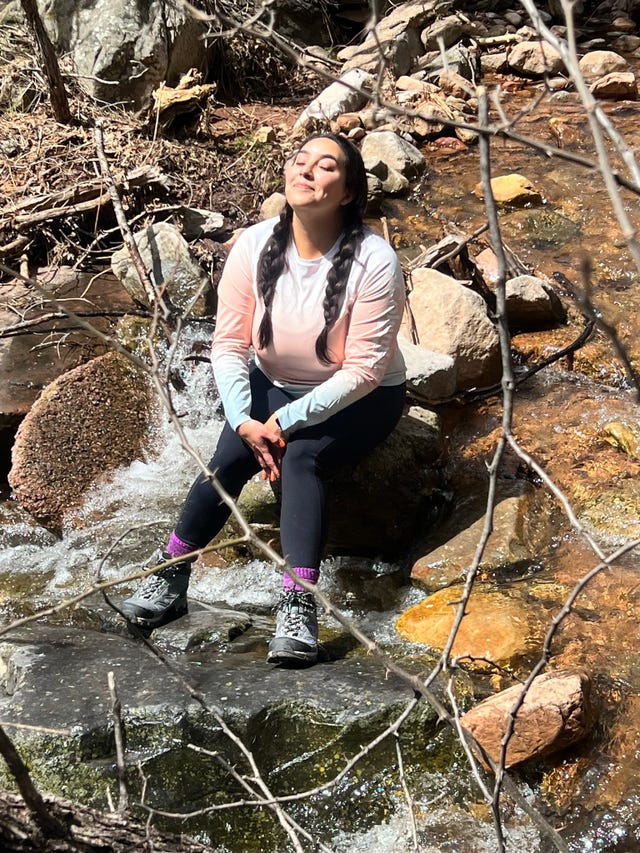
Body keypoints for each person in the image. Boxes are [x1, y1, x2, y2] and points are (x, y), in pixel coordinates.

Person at [121, 132, 407, 665]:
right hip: (269, 384)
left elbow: (365, 370)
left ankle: (300, 607)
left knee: (301, 458)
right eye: (300, 161)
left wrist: (286, 421)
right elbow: (228, 345)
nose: (306, 171)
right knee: (228, 457)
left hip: (359, 397)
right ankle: (170, 575)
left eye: (325, 167)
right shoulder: (253, 246)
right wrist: (242, 418)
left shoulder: (375, 260)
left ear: (347, 192)